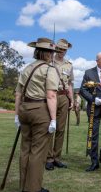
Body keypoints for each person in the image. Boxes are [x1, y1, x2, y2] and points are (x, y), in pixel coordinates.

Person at [14, 37, 59, 192]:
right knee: (38, 152)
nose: (53, 55)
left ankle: (24, 186)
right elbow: (51, 95)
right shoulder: (49, 69)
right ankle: (33, 189)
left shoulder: (26, 68)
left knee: (25, 149)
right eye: (51, 52)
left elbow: (18, 94)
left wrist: (16, 115)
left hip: (24, 110)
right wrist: (53, 119)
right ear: (47, 54)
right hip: (40, 110)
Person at [45, 39, 74, 171]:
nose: (62, 52)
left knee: (61, 129)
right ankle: (48, 158)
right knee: (51, 127)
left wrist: (72, 100)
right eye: (60, 49)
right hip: (51, 96)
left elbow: (70, 84)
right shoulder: (49, 62)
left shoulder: (69, 65)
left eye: (64, 50)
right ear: (56, 49)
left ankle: (57, 158)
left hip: (63, 97)